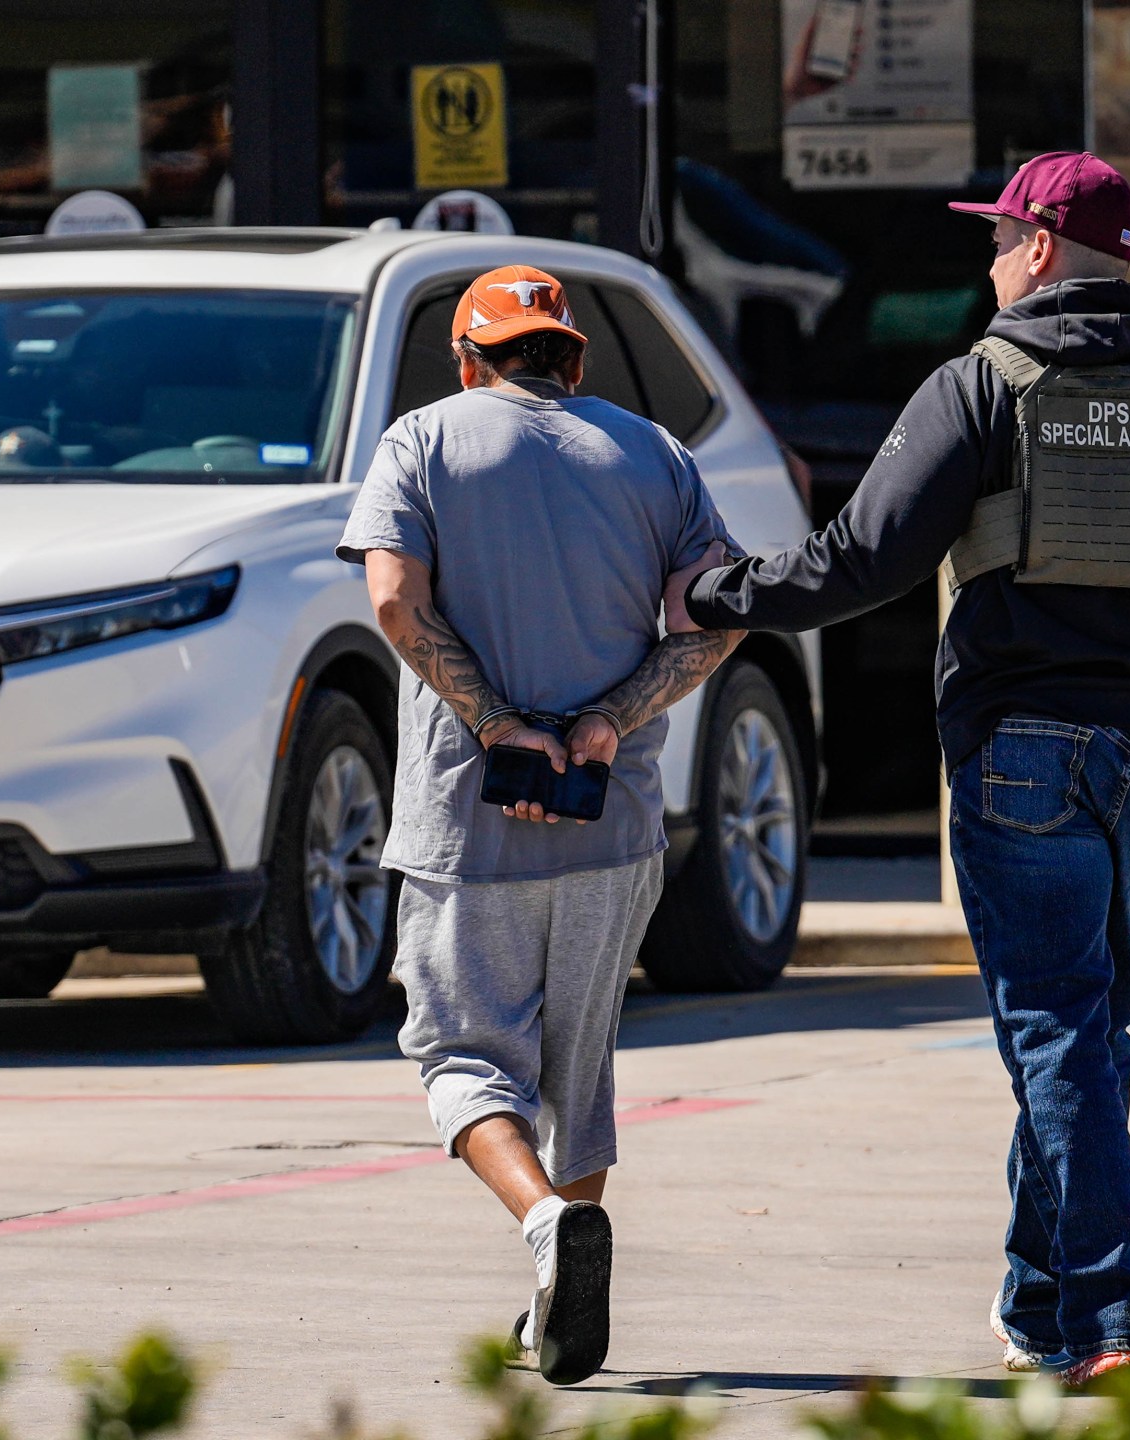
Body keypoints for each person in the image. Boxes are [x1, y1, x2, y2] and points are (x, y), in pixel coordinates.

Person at [671, 153, 1130, 1384]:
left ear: (1036, 249)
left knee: (1060, 1033)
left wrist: (712, 594)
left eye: (994, 240)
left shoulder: (978, 385)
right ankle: (1040, 1304)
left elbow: (859, 562)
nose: (985, 261)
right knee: (1087, 1031)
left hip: (1021, 753)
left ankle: (1108, 1322)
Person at [339, 265, 740, 1386]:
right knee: (579, 1068)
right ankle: (555, 1298)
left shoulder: (423, 441)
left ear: (469, 360)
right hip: (611, 819)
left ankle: (543, 1226)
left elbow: (393, 601)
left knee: (461, 1055)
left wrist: (500, 724)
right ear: (573, 356)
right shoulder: (657, 454)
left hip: (467, 822)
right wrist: (606, 723)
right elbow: (719, 621)